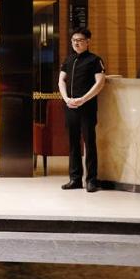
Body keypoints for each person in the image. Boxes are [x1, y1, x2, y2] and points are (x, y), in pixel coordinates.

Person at [58, 28, 107, 193]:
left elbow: (100, 83)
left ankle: (91, 180)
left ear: (88, 41)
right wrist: (66, 99)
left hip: (87, 107)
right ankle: (75, 179)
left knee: (89, 143)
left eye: (79, 40)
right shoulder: (69, 59)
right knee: (73, 144)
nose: (76, 43)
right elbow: (61, 81)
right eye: (74, 40)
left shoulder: (94, 60)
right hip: (70, 107)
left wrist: (83, 99)